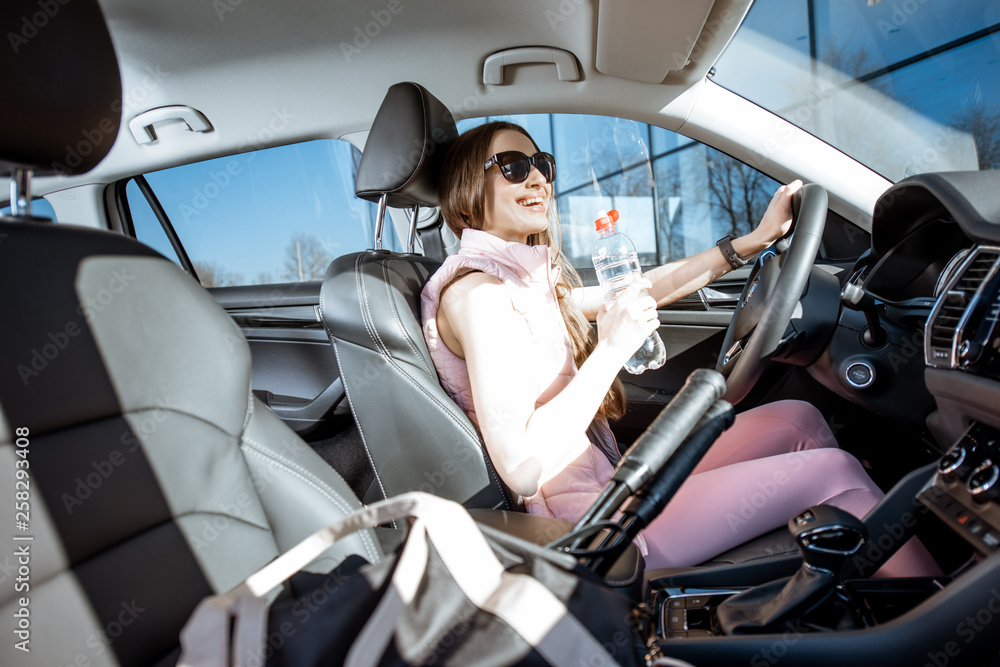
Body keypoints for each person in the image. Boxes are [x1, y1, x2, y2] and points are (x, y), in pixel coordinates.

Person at [421, 121, 936, 575]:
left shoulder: (522, 283)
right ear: (469, 188)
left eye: (542, 164)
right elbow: (523, 466)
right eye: (513, 166)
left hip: (611, 476)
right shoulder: (481, 296)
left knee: (798, 419)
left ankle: (841, 579)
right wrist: (613, 348)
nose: (537, 178)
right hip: (593, 525)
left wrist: (750, 242)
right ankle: (937, 625)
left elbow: (644, 288)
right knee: (837, 472)